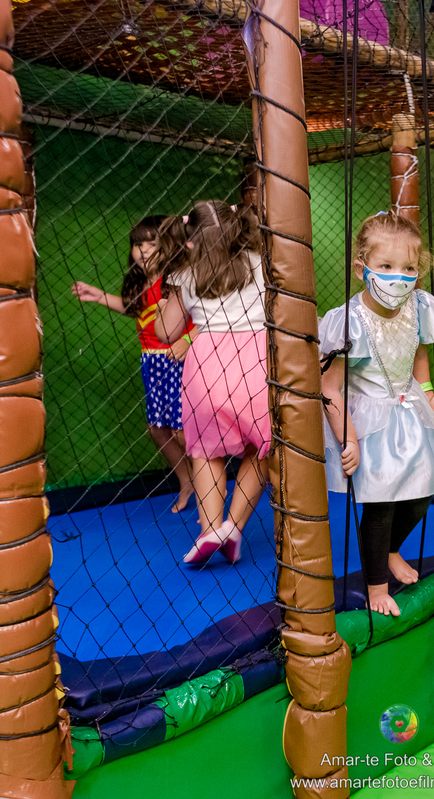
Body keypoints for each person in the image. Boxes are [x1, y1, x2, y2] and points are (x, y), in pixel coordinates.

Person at [320, 212, 434, 617]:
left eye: (409, 268)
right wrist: (349, 438)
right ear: (362, 269)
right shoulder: (351, 322)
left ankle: (392, 551)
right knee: (380, 506)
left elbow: (419, 350)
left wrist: (428, 393)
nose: (400, 278)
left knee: (422, 496)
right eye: (387, 266)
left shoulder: (418, 306)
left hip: (409, 412)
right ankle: (376, 586)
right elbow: (330, 387)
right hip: (368, 420)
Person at [154, 200, 270, 566]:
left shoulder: (186, 275)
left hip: (208, 367)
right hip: (257, 363)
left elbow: (166, 332)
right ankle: (232, 527)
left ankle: (209, 530)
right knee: (262, 449)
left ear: (190, 241)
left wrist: (166, 299)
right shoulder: (261, 261)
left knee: (206, 451)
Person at [72, 216, 196, 513]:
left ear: (168, 246)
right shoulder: (141, 282)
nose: (143, 250)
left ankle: (209, 484)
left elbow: (209, 314)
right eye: (138, 244)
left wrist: (187, 340)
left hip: (179, 359)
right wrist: (100, 296)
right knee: (157, 429)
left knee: (182, 431)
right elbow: (136, 310)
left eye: (151, 244)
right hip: (151, 362)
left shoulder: (176, 278)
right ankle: (187, 481)